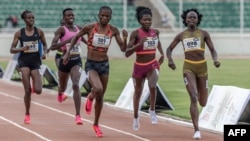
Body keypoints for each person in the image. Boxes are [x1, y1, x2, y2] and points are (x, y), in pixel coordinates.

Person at [62, 6, 128, 137]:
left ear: (110, 17)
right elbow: (75, 38)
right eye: (102, 15)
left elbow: (123, 49)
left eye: (107, 16)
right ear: (99, 15)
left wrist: (125, 38)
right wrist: (68, 53)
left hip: (104, 64)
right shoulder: (90, 27)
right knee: (98, 89)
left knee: (101, 95)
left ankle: (96, 124)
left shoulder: (113, 30)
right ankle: (90, 96)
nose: (104, 18)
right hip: (91, 64)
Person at [166, 8, 220, 139]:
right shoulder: (181, 35)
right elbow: (169, 49)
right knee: (194, 96)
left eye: (194, 17)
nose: (191, 19)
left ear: (197, 20)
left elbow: (213, 50)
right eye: (189, 17)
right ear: (185, 19)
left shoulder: (204, 34)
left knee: (203, 102)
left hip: (202, 68)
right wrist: (170, 60)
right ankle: (196, 130)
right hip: (188, 67)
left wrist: (215, 60)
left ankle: (202, 100)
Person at [125, 6, 164, 131]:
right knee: (138, 92)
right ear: (140, 21)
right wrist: (139, 44)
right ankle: (136, 117)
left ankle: (152, 109)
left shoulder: (155, 32)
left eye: (149, 20)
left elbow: (158, 42)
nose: (147, 22)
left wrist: (162, 53)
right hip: (139, 67)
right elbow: (127, 53)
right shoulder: (136, 33)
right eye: (145, 20)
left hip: (152, 64)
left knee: (153, 86)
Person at [48, 8, 87, 125]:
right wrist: (68, 41)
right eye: (68, 15)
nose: (71, 17)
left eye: (72, 15)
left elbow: (85, 40)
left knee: (75, 85)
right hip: (64, 61)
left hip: (76, 61)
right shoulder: (61, 30)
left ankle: (78, 115)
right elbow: (53, 46)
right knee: (63, 87)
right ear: (64, 17)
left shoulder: (78, 28)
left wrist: (90, 44)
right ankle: (60, 93)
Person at [9, 10, 48, 124]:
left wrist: (45, 53)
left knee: (38, 90)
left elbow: (45, 45)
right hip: (24, 62)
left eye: (33, 18)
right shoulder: (19, 33)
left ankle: (33, 83)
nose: (31, 19)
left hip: (35, 62)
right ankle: (27, 113)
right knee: (27, 91)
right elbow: (12, 49)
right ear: (24, 20)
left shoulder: (39, 31)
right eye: (29, 18)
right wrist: (22, 49)